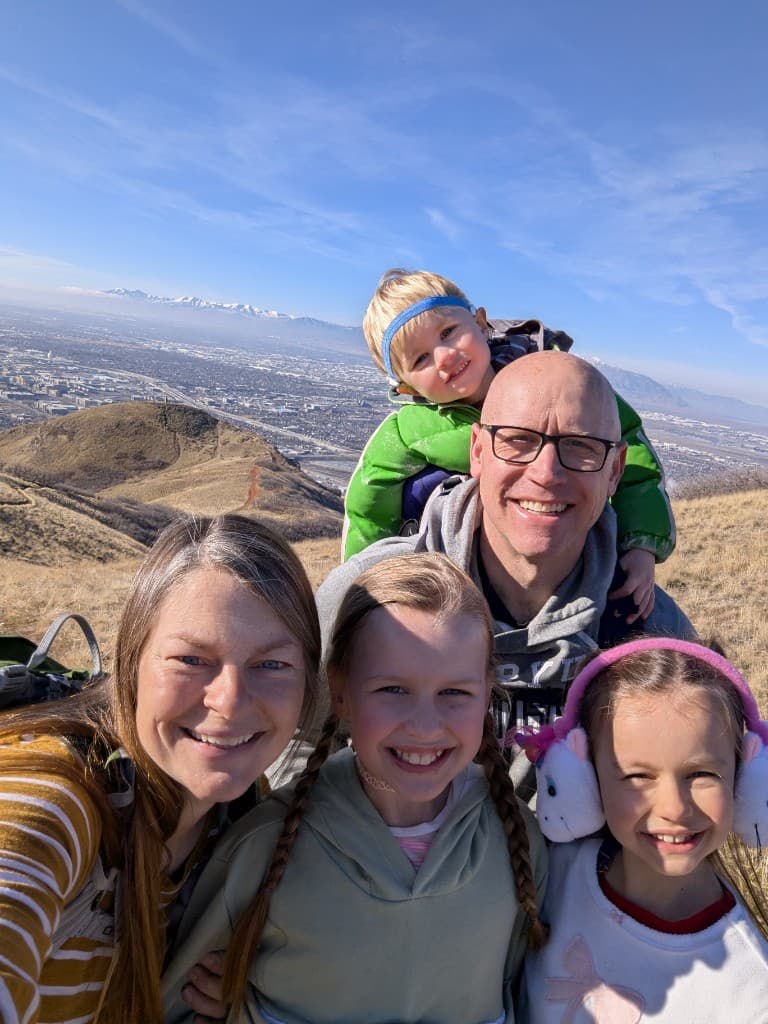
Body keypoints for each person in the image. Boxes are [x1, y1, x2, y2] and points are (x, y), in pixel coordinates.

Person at [162, 553, 548, 1024]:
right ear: (340, 690)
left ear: (489, 691)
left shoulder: (518, 844)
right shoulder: (261, 850)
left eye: (455, 693)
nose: (425, 727)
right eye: (393, 690)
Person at [318, 351, 695, 797]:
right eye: (517, 440)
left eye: (580, 446)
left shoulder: (650, 633)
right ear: (477, 452)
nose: (546, 473)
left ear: (614, 471)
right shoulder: (368, 595)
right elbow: (299, 745)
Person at [0, 513, 320, 1024]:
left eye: (272, 664)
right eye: (192, 660)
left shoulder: (242, 817)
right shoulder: (57, 796)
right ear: (133, 662)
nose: (230, 702)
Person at [344, 268, 675, 624]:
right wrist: (370, 585)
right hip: (452, 579)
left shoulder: (563, 383)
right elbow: (367, 508)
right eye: (420, 359)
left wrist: (641, 544)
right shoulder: (406, 431)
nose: (444, 357)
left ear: (481, 322)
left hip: (570, 563)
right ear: (406, 387)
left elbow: (632, 456)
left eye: (448, 332)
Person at [517, 637, 768, 1022]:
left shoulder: (752, 988)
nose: (674, 808)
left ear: (746, 778)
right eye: (637, 777)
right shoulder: (548, 875)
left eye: (701, 774)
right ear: (584, 781)